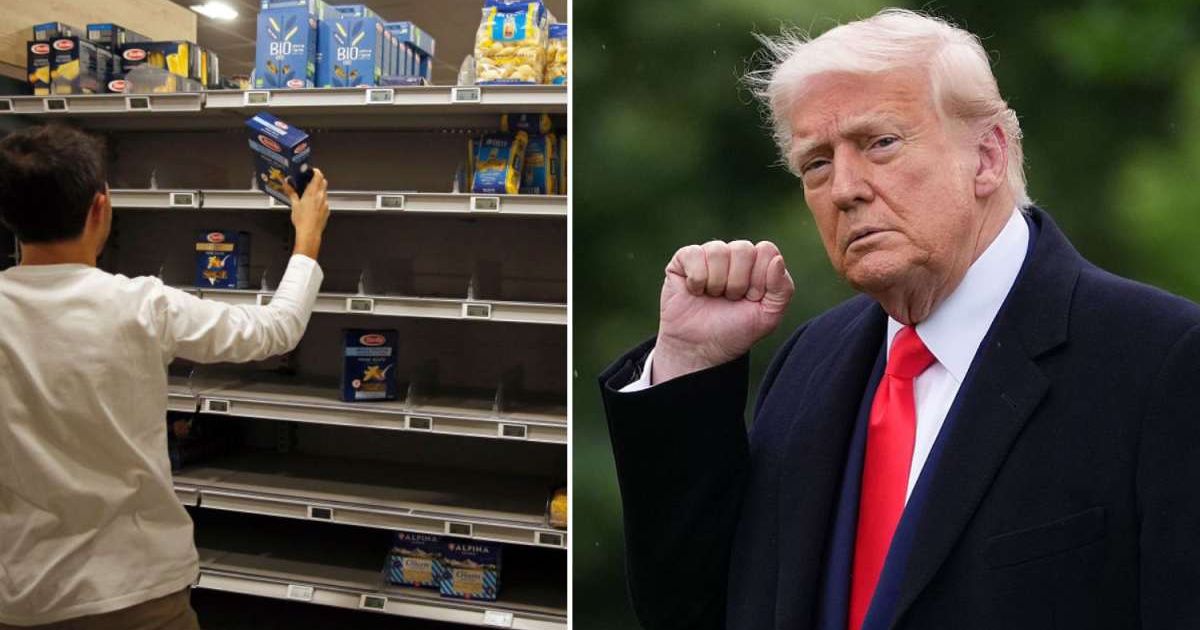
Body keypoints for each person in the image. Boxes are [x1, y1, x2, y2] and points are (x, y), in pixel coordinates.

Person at [599, 9, 1200, 630]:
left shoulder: (1162, 361)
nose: (844, 189)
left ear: (988, 155)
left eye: (880, 143)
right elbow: (693, 612)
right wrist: (690, 366)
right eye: (817, 163)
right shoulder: (810, 362)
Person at [0, 125, 330, 629]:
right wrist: (307, 237)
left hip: (24, 598)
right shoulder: (142, 305)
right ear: (100, 207)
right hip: (139, 593)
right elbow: (275, 331)